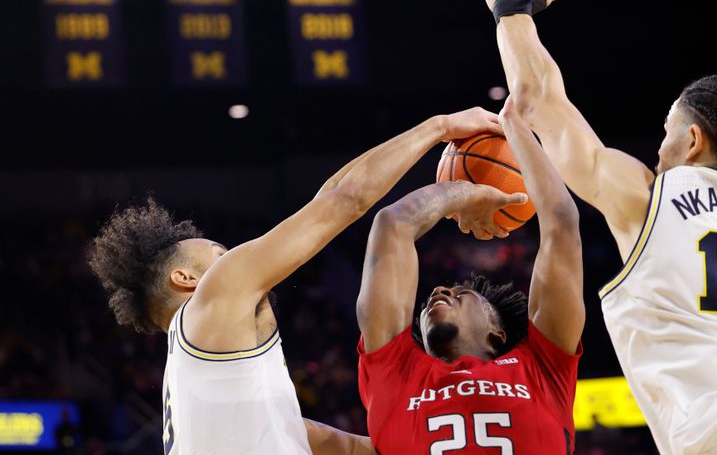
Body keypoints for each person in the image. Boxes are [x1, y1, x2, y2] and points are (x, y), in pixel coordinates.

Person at [458, 0, 717, 454]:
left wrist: (510, 9)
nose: (659, 147)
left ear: (692, 139)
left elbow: (542, 102)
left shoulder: (648, 197)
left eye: (667, 129)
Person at [88, 107, 502, 455]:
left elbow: (329, 199)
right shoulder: (216, 295)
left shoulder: (203, 381)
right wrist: (440, 128)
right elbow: (346, 201)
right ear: (187, 279)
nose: (235, 256)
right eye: (220, 253)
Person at [356, 99, 584, 454]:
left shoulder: (540, 368)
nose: (441, 291)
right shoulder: (395, 370)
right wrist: (464, 193)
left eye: (460, 294)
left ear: (497, 335)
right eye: (458, 292)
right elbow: (393, 224)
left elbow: (562, 222)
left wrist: (516, 128)